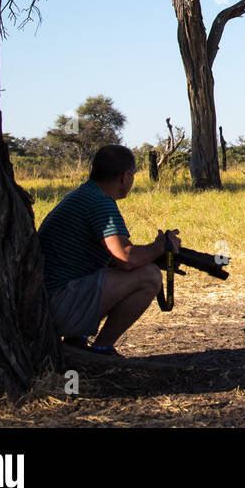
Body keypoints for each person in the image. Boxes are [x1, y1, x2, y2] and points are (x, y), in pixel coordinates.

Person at [38, 144, 179, 357]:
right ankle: (101, 349)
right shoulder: (100, 203)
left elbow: (109, 258)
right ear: (125, 176)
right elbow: (125, 258)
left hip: (47, 301)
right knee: (149, 276)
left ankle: (78, 340)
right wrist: (161, 246)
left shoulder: (83, 195)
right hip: (58, 304)